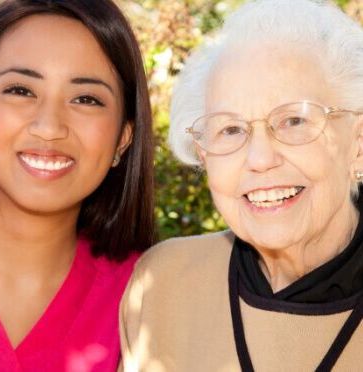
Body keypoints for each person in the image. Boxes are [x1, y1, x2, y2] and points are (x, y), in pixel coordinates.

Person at [0, 0, 154, 370]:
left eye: (86, 99)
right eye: (20, 90)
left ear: (123, 137)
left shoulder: (147, 296)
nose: (49, 126)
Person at [119, 0, 363, 370]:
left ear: (358, 144)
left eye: (294, 120)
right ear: (204, 156)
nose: (260, 159)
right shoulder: (164, 285)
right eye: (230, 129)